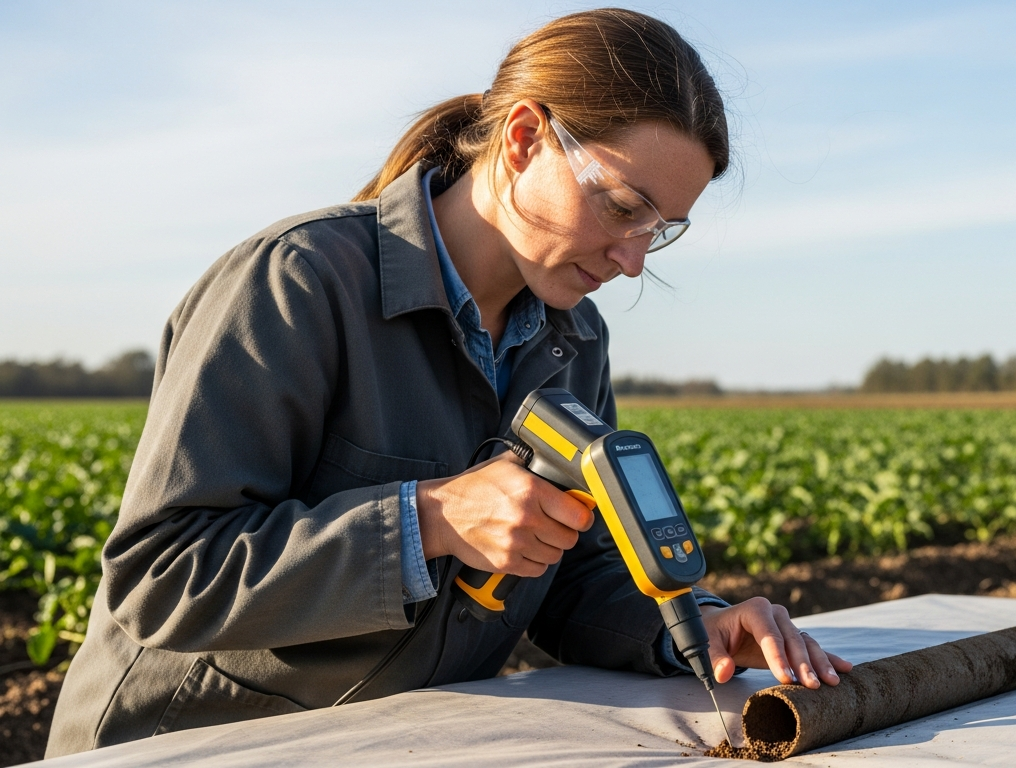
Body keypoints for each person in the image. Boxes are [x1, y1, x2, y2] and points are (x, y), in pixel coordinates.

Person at [46, 8, 851, 757]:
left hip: (393, 744)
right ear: (526, 137)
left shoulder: (575, 338)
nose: (632, 259)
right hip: (187, 745)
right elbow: (161, 577)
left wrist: (698, 626)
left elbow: (570, 577)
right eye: (619, 207)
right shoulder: (296, 283)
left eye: (659, 230)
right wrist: (424, 521)